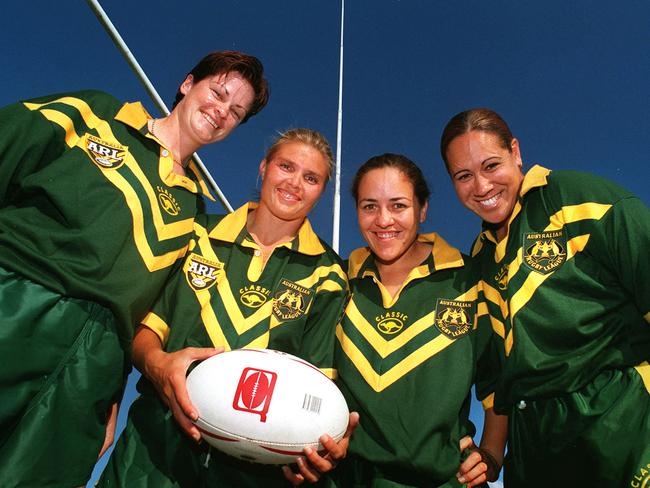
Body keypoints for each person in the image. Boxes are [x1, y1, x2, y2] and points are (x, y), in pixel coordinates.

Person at [0, 50, 269, 487]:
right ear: (187, 83)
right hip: (17, 302)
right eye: (217, 93)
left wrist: (111, 394)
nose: (221, 112)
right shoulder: (95, 114)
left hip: (91, 369)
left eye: (236, 112)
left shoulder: (196, 213)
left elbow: (147, 310)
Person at [98, 128, 353, 487]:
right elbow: (147, 331)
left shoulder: (328, 275)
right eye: (286, 166)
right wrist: (158, 364)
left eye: (311, 178)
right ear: (264, 167)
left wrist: (324, 441)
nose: (295, 183)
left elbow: (318, 387)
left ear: (322, 190)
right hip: (153, 449)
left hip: (254, 472)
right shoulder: (197, 234)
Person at [440, 108, 650, 486]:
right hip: (533, 447)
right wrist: (491, 453)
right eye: (464, 176)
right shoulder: (480, 256)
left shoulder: (579, 198)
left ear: (516, 152)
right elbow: (500, 375)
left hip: (621, 424)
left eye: (491, 165)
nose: (482, 186)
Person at [323, 154, 507, 487]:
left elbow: (497, 384)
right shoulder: (338, 280)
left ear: (422, 209)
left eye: (398, 206)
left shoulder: (470, 279)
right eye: (369, 207)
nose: (383, 220)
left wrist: (492, 456)